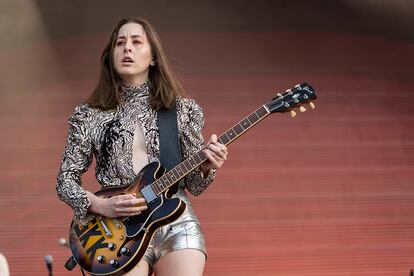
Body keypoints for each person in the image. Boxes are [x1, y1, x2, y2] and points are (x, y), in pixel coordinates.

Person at [56, 17, 228, 276]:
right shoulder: (89, 115)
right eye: (120, 43)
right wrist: (100, 205)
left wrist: (206, 166)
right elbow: (65, 181)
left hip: (176, 221)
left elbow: (195, 185)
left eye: (137, 42)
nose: (127, 48)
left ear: (153, 57)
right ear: (111, 56)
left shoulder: (182, 110)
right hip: (116, 228)